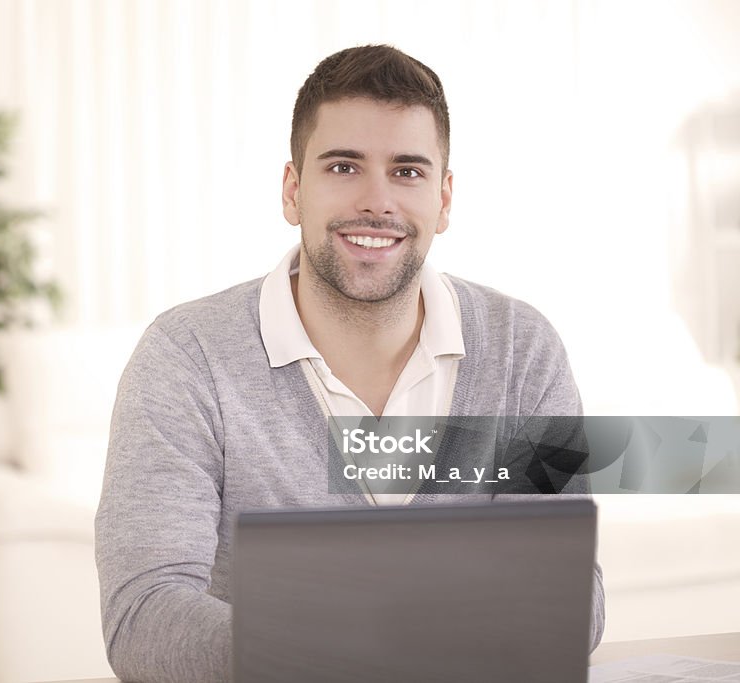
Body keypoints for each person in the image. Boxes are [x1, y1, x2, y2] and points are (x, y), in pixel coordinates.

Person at [95, 44, 605, 683]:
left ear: (444, 200)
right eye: (343, 166)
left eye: (408, 172)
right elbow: (144, 619)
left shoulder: (522, 351)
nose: (377, 202)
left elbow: (571, 600)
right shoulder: (185, 358)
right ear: (292, 190)